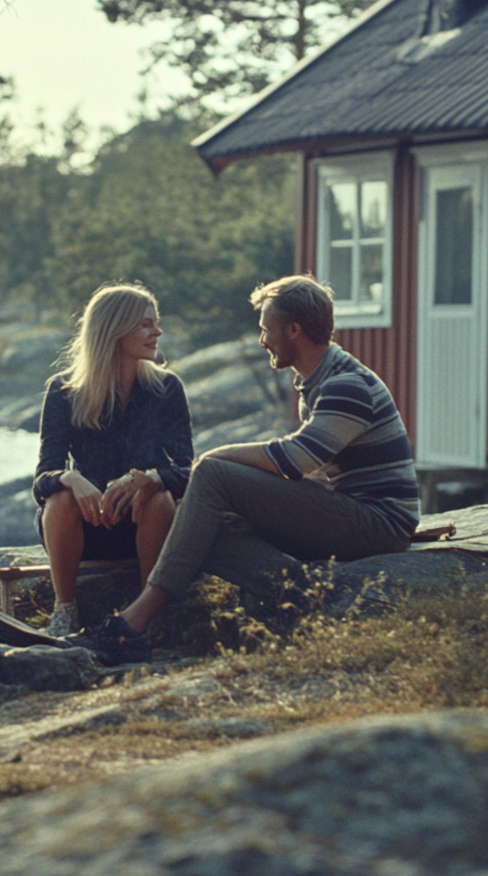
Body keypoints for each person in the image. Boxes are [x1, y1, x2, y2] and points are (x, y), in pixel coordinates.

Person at [63, 274, 419, 664]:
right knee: (201, 517)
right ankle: (296, 589)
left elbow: (297, 460)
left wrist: (211, 460)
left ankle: (135, 622)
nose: (262, 340)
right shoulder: (318, 380)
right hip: (347, 509)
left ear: (294, 329)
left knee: (212, 477)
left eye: (267, 329)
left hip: (378, 524)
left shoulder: (346, 384)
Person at [33, 283, 194, 636]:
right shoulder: (63, 391)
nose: (157, 332)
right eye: (145, 324)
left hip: (146, 525)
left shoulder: (166, 388)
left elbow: (189, 471)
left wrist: (150, 478)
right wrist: (72, 479)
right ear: (114, 329)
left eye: (156, 322)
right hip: (83, 530)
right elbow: (43, 478)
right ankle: (65, 610)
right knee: (58, 497)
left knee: (160, 495)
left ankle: (145, 613)